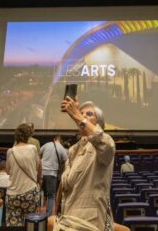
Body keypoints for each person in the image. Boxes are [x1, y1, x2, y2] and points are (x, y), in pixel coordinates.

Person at [48, 98, 116, 231]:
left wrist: (78, 116)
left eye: (89, 114)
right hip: (68, 220)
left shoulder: (103, 145)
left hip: (88, 223)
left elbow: (106, 144)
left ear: (99, 124)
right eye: (82, 113)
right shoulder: (73, 150)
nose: (83, 116)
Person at [6, 123, 41, 226]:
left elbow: (8, 171)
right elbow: (37, 167)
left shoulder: (10, 151)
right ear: (29, 135)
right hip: (30, 192)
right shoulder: (33, 148)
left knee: (13, 225)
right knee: (31, 224)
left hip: (13, 194)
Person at [40, 135, 68, 215]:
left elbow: (39, 153)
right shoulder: (62, 148)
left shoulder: (46, 144)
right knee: (51, 195)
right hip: (52, 174)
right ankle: (48, 215)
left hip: (42, 172)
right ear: (60, 141)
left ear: (54, 139)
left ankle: (38, 213)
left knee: (41, 193)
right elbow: (65, 160)